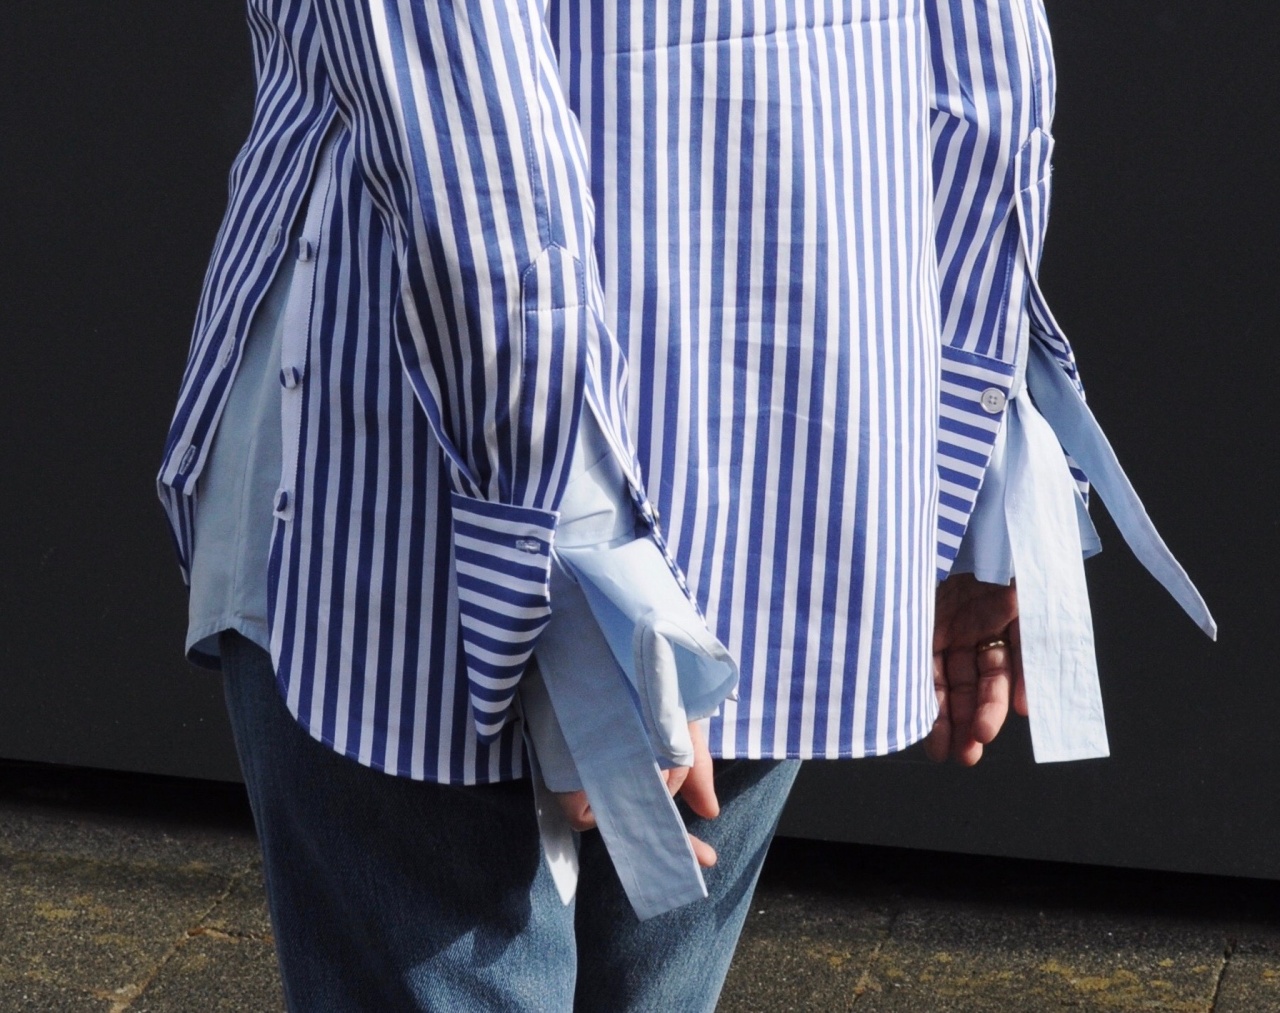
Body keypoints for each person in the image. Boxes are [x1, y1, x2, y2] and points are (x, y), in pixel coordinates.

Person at [157, 1, 1213, 1009]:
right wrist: (959, 433)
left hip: (431, 481)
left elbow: (450, 106)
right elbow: (987, 80)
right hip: (792, 458)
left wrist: (555, 518)